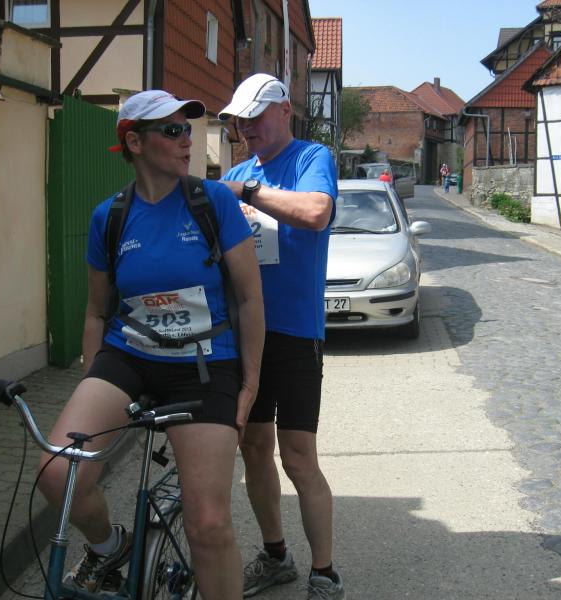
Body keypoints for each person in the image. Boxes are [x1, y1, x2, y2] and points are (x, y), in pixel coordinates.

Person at [37, 89, 265, 600]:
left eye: (188, 129)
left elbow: (251, 299)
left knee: (208, 523)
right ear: (135, 142)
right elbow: (97, 311)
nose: (187, 140)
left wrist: (250, 383)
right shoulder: (111, 216)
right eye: (173, 130)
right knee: (57, 476)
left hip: (205, 364)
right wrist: (92, 385)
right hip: (129, 354)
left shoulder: (213, 202)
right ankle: (109, 547)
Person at [218, 73, 345, 600]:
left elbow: (316, 213)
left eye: (255, 116)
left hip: (294, 332)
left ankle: (324, 573)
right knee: (254, 448)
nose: (246, 128)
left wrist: (249, 193)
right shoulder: (236, 172)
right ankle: (276, 556)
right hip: (245, 335)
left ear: (285, 110)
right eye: (239, 121)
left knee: (297, 457)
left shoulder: (312, 158)